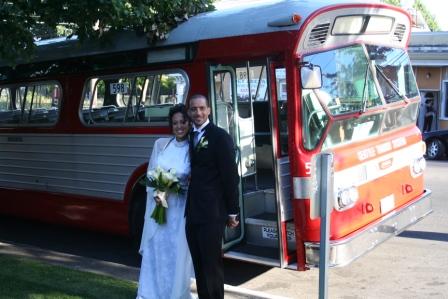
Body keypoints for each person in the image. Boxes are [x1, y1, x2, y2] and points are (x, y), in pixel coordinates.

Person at [137, 104, 194, 299]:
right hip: (160, 208)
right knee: (157, 251)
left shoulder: (193, 148)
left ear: (189, 123)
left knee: (175, 255)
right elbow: (152, 174)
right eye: (175, 123)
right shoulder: (161, 144)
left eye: (183, 122)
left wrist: (174, 187)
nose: (179, 126)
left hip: (179, 212)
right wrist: (157, 191)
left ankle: (174, 294)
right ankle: (150, 293)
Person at [185, 94, 240, 299]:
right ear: (189, 112)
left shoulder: (220, 137)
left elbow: (230, 177)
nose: (197, 113)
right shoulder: (189, 136)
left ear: (208, 110)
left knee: (211, 266)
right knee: (198, 265)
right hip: (192, 213)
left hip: (212, 213)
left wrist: (233, 211)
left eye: (201, 108)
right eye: (193, 109)